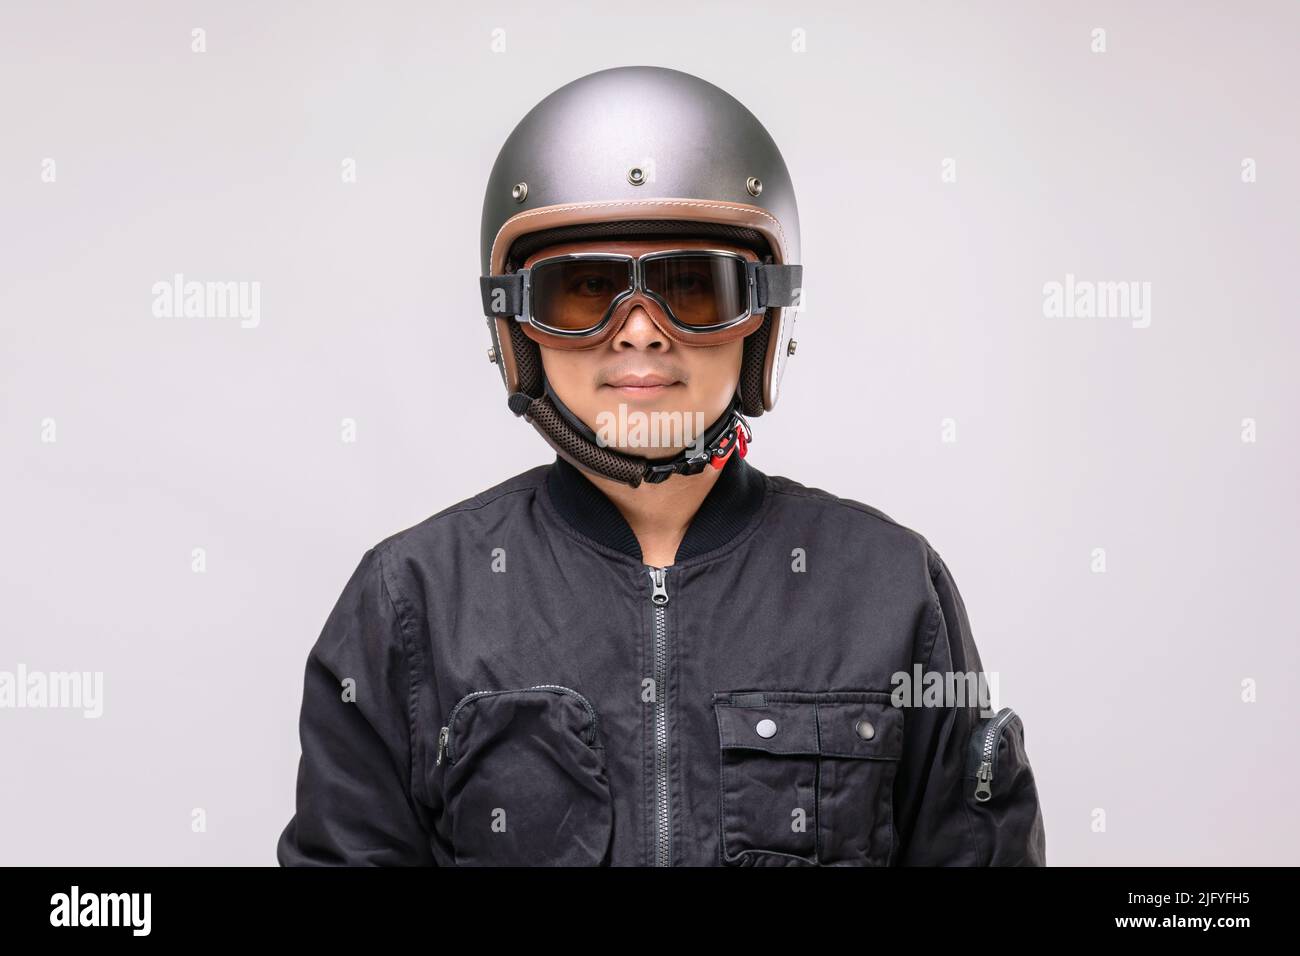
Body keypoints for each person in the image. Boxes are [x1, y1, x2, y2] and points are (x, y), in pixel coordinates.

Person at [276, 65, 1046, 866]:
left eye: (693, 287)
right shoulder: (411, 600)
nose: (640, 331)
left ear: (763, 318)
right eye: (584, 290)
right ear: (517, 323)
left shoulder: (890, 586)